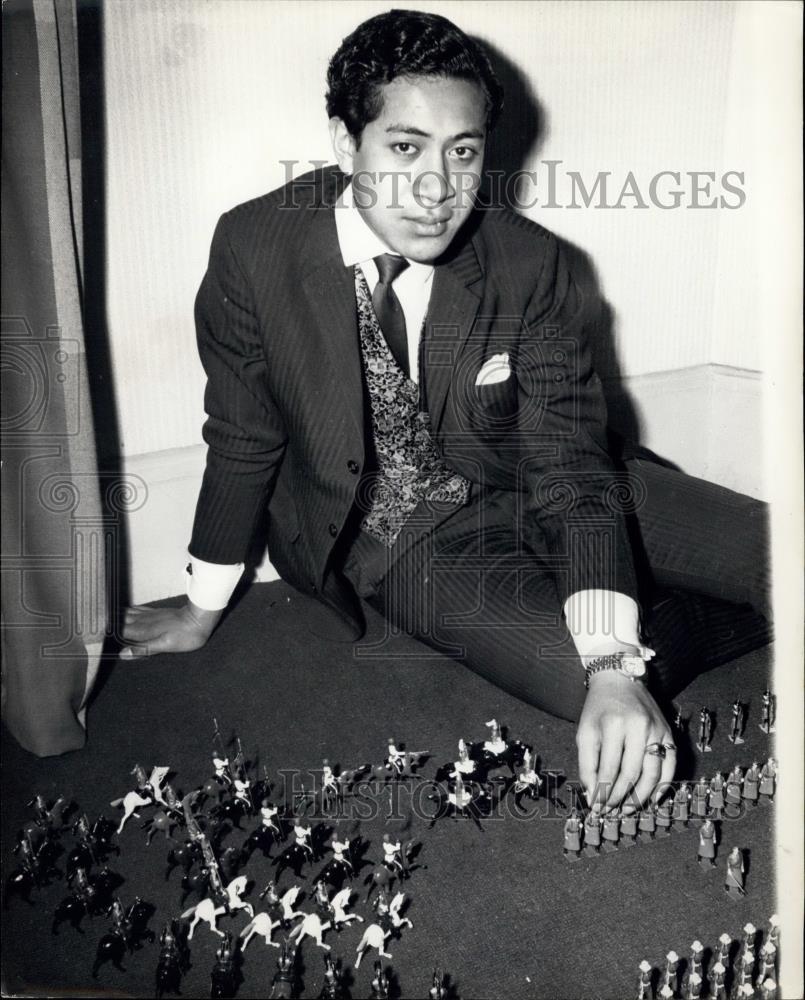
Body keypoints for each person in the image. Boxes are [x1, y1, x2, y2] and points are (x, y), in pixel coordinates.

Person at [120, 9, 769, 817]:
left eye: (461, 153)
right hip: (404, 543)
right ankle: (659, 624)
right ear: (341, 140)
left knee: (772, 551)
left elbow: (568, 462)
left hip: (552, 478)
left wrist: (612, 654)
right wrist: (202, 601)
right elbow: (243, 433)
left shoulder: (531, 264)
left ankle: (629, 607)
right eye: (403, 148)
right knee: (591, 680)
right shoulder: (253, 249)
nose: (436, 191)